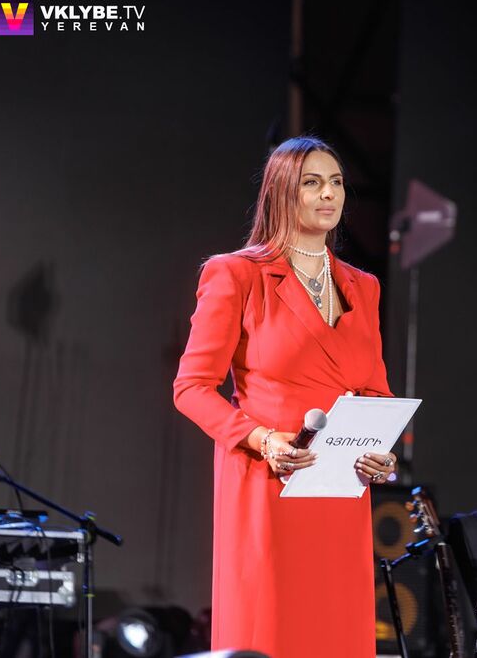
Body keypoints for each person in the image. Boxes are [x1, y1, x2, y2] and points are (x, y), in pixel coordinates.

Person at [173, 136, 396, 658]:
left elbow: (375, 392)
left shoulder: (363, 286)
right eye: (312, 183)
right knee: (272, 627)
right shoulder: (236, 273)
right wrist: (262, 438)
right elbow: (191, 388)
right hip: (269, 481)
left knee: (335, 629)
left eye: (336, 182)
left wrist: (381, 451)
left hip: (341, 490)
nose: (329, 194)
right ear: (280, 193)